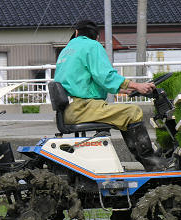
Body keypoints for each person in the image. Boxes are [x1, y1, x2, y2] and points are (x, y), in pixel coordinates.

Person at [54, 20, 171, 171]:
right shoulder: (92, 46)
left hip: (70, 110)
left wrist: (124, 89)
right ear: (96, 37)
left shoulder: (67, 50)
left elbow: (87, 81)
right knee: (133, 113)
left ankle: (148, 162)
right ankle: (152, 162)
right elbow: (105, 76)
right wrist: (137, 86)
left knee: (123, 116)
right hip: (84, 107)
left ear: (76, 33)